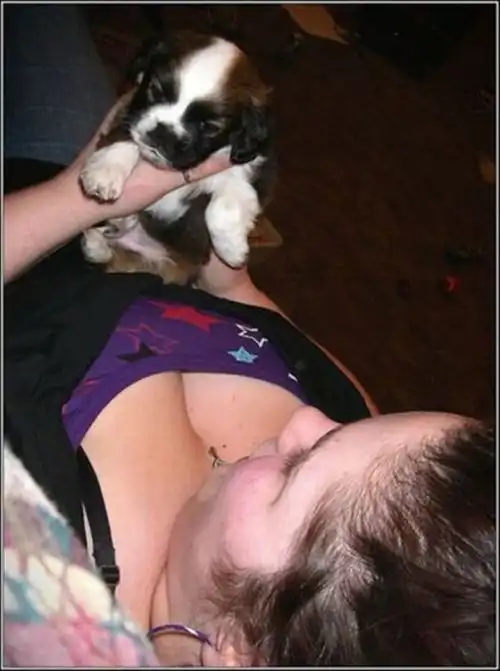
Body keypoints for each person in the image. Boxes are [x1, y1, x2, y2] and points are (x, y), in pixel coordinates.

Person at [4, 5, 495, 667]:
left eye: (294, 470)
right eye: (350, 427)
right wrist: (213, 222)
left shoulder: (44, 578)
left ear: (233, 649)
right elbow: (243, 297)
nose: (309, 420)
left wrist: (77, 196)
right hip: (130, 197)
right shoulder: (374, 470)